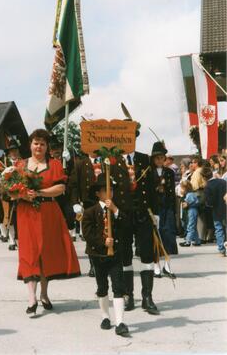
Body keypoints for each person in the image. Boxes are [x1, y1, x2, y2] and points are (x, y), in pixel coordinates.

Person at [16, 129, 81, 314]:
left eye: (42, 144)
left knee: (46, 252)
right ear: (30, 145)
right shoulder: (20, 166)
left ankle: (44, 294)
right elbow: (9, 190)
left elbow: (61, 188)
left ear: (47, 147)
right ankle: (32, 298)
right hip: (26, 213)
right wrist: (22, 194)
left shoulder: (54, 164)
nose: (39, 146)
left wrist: (39, 193)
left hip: (48, 212)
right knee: (29, 253)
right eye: (36, 143)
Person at [110, 132, 159, 315]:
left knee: (147, 254)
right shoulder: (112, 161)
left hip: (143, 214)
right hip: (122, 215)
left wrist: (156, 213)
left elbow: (152, 187)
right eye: (125, 136)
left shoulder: (144, 159)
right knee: (125, 255)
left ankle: (147, 297)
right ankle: (128, 295)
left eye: (132, 136)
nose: (129, 140)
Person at [82, 173, 129, 336]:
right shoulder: (90, 212)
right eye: (105, 190)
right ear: (98, 193)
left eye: (112, 190)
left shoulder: (116, 210)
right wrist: (103, 243)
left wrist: (115, 209)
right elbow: (87, 234)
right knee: (102, 287)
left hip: (115, 255)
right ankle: (105, 317)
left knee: (118, 286)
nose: (110, 193)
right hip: (98, 255)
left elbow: (127, 225)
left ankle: (120, 322)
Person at [69, 152, 104, 277]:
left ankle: (105, 263)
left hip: (106, 202)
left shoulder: (107, 161)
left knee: (105, 232)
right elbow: (73, 185)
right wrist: (75, 202)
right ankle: (93, 264)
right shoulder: (80, 164)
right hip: (88, 204)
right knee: (91, 235)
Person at [150, 142, 177, 279]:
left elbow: (172, 194)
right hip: (155, 210)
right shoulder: (149, 172)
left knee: (168, 236)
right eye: (157, 158)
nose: (159, 161)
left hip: (167, 209)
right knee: (155, 237)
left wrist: (173, 211)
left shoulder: (169, 173)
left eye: (162, 158)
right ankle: (156, 267)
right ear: (153, 159)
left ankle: (167, 266)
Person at [0, 139, 21, 250]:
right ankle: (12, 241)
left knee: (20, 218)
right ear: (9, 152)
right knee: (10, 218)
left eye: (15, 150)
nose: (14, 152)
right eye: (12, 150)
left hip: (21, 193)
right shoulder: (3, 162)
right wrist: (4, 174)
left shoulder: (23, 162)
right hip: (7, 194)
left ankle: (19, 240)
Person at [201, 167, 226, 256]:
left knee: (219, 229)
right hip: (225, 207)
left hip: (216, 210)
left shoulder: (208, 186)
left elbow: (210, 202)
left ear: (203, 177)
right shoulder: (223, 181)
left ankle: (222, 249)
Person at [179, 180, 200, 247]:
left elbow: (186, 204)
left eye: (182, 188)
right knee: (193, 226)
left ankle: (188, 241)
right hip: (193, 211)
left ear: (185, 188)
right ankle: (197, 241)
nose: (181, 189)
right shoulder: (192, 194)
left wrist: (183, 203)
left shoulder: (189, 195)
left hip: (192, 211)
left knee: (190, 226)